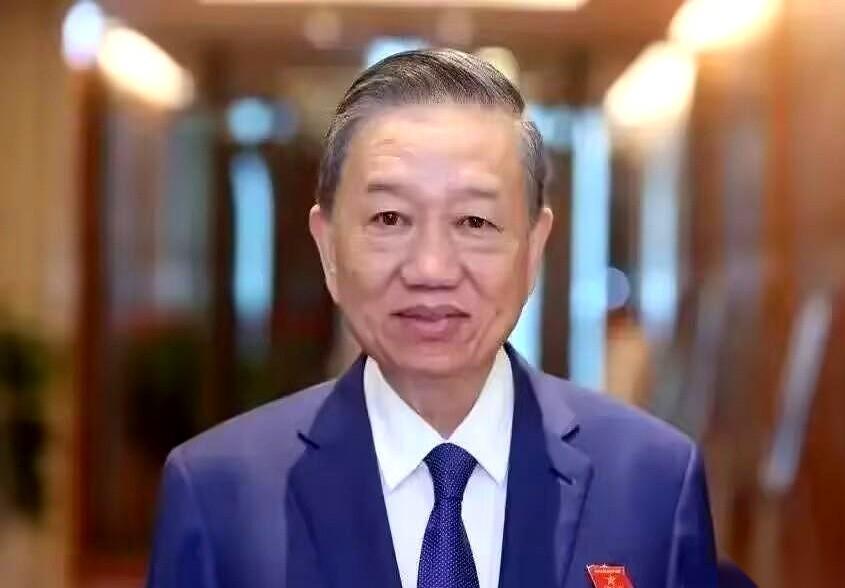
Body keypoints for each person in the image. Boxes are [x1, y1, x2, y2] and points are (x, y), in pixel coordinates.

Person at [147, 48, 717, 588]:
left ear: (533, 249)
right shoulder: (218, 492)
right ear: (328, 248)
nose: (431, 269)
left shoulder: (653, 482)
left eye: (474, 222)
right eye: (390, 218)